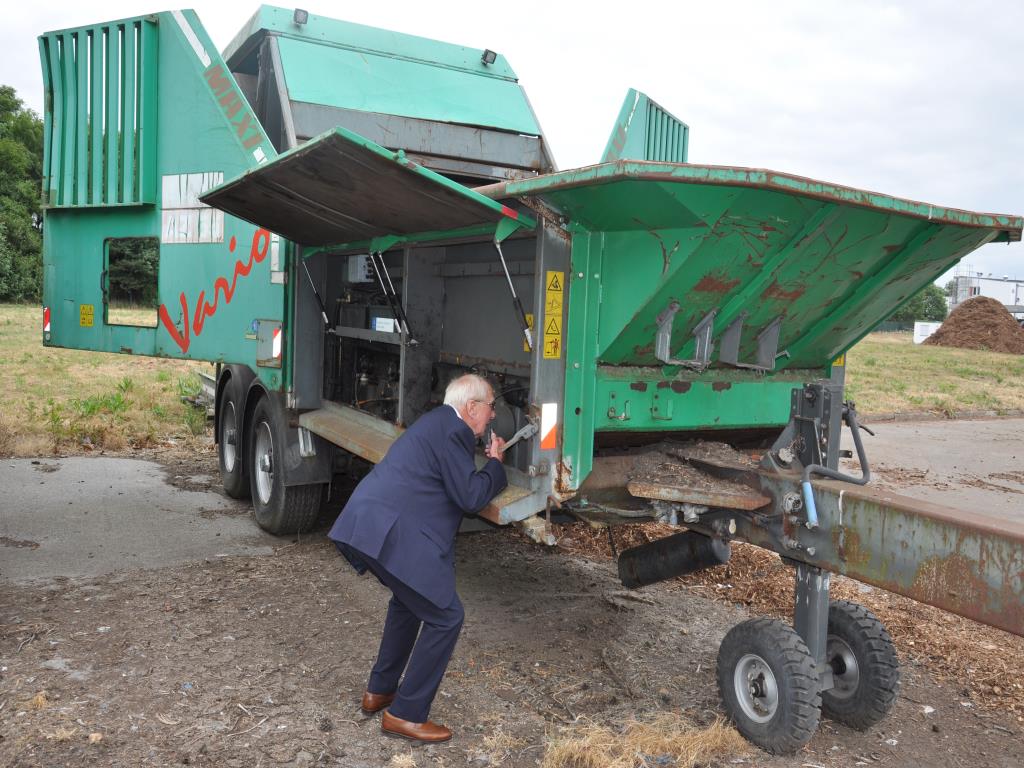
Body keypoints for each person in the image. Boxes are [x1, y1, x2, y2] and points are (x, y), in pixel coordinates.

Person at [328, 373, 507, 743]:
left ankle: (379, 691)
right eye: (490, 406)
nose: (492, 415)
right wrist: (496, 465)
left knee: (408, 604)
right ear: (471, 406)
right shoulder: (453, 431)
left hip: (371, 524)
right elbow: (471, 498)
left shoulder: (438, 422)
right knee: (446, 617)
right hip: (391, 531)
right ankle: (406, 715)